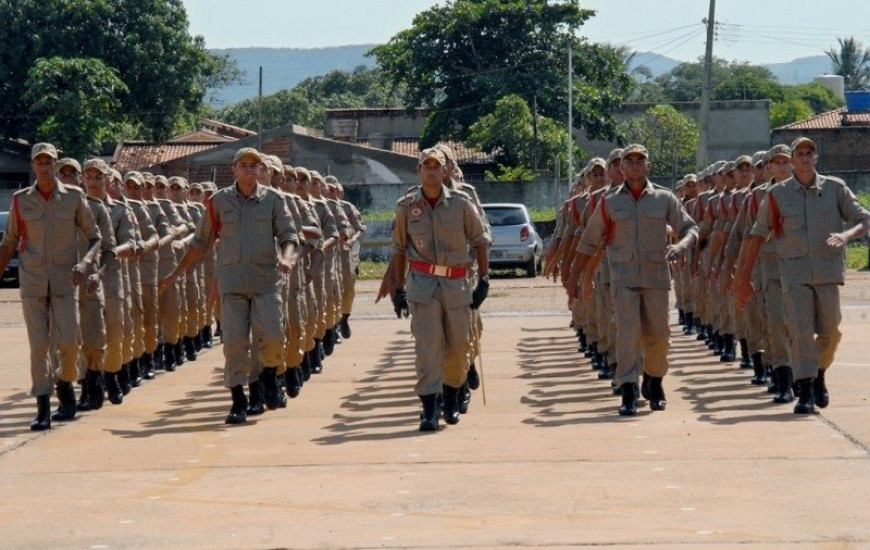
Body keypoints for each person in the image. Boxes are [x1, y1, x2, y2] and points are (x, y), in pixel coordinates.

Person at [160, 148, 299, 425]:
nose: (249, 169)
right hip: (232, 284)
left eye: (254, 165)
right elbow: (200, 242)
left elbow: (289, 236)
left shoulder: (273, 200)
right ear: (233, 169)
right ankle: (238, 400)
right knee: (234, 342)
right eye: (243, 165)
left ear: (261, 170)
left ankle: (270, 376)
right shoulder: (219, 202)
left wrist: (286, 258)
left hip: (266, 282)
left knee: (272, 335)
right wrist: (175, 274)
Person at [734, 137, 870, 414]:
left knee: (831, 332)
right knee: (801, 333)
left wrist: (845, 235)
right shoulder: (777, 195)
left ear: (816, 158)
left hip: (828, 274)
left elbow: (864, 220)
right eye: (800, 154)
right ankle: (805, 390)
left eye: (810, 153)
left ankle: (819, 372)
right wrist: (743, 278)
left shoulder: (835, 189)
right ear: (793, 160)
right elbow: (757, 235)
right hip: (793, 276)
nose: (805, 158)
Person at [568, 144, 697, 416]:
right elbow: (589, 242)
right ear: (622, 167)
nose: (636, 165)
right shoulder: (610, 202)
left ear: (648, 165)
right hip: (623, 279)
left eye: (641, 160)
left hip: (657, 279)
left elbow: (690, 229)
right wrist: (575, 279)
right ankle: (628, 390)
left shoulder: (664, 198)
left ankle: (655, 380)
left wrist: (681, 246)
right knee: (627, 334)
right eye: (630, 161)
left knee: (659, 336)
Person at [0, 143, 101, 430]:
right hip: (32, 282)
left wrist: (85, 263)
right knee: (38, 346)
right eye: (39, 162)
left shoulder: (74, 197)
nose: (44, 166)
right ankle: (43, 405)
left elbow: (94, 237)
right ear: (33, 166)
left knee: (69, 342)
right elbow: (9, 242)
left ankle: (65, 384)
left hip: (64, 282)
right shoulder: (21, 201)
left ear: (56, 165)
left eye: (49, 161)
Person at [391, 148, 490, 432]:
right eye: (427, 166)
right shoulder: (407, 206)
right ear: (419, 170)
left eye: (437, 166)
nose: (432, 171)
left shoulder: (461, 203)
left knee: (459, 347)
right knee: (428, 348)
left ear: (445, 170)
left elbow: (480, 239)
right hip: (422, 286)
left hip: (457, 283)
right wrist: (398, 289)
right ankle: (429, 409)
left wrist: (484, 279)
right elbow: (399, 249)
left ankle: (451, 395)